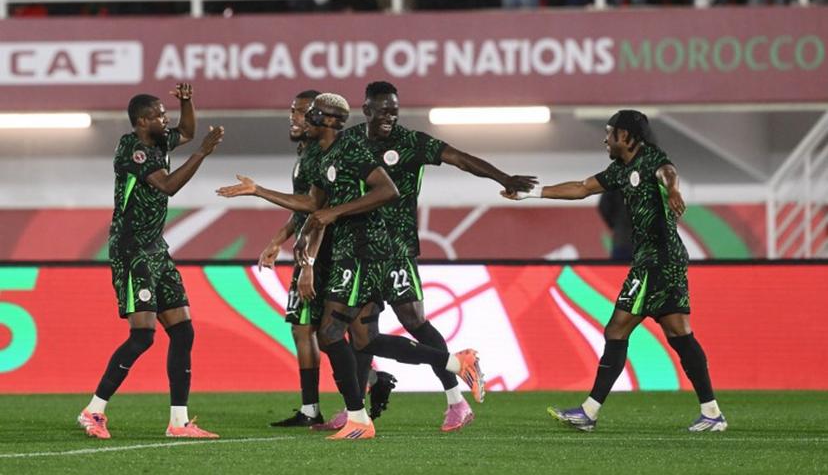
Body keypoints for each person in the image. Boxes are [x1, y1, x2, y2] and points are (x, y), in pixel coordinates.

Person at [217, 93, 485, 441]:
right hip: (349, 250)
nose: (303, 119)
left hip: (366, 249)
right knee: (363, 339)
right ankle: (453, 365)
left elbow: (387, 191)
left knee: (332, 333)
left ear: (328, 120)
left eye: (310, 114)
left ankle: (360, 416)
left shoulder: (351, 149)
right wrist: (259, 191)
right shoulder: (317, 156)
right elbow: (311, 205)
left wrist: (333, 216)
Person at [503, 110, 727, 433]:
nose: (604, 139)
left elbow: (667, 172)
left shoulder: (651, 159)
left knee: (617, 329)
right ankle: (711, 412)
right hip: (664, 262)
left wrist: (674, 190)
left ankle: (589, 412)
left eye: (609, 133)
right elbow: (582, 188)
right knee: (679, 334)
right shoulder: (621, 170)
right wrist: (533, 193)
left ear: (627, 136)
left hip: (656, 262)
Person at [339, 80, 536, 432]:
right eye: (383, 110)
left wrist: (502, 177)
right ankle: (356, 411)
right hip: (360, 250)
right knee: (360, 331)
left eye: (394, 111)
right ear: (367, 109)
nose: (390, 117)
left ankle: (456, 401)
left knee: (414, 322)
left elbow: (459, 158)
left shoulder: (411, 142)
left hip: (397, 250)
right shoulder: (350, 141)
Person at [78, 84, 225, 440]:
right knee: (143, 335)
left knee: (183, 331)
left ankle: (178, 422)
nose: (166, 119)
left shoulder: (159, 142)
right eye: (160, 115)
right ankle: (93, 411)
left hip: (156, 248)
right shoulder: (134, 149)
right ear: (143, 121)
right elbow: (169, 185)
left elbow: (187, 131)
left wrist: (187, 101)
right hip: (132, 251)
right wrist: (202, 154)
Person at [257, 90, 396, 428]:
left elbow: (316, 210)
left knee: (313, 329)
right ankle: (365, 389)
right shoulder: (310, 156)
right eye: (294, 112)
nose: (297, 119)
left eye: (302, 113)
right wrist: (277, 241)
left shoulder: (324, 155)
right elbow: (307, 208)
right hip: (319, 247)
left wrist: (306, 263)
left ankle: (322, 408)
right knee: (322, 330)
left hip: (325, 252)